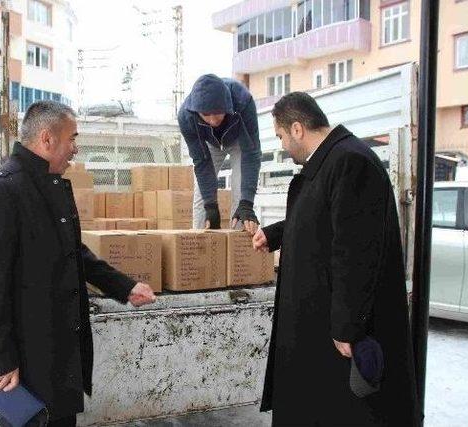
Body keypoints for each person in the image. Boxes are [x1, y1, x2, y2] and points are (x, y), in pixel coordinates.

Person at [0, 101, 156, 427]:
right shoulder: (2, 191)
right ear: (47, 139)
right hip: (21, 364)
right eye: (72, 139)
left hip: (54, 354)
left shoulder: (50, 185)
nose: (76, 149)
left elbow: (74, 253)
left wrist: (124, 286)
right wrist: (0, 361)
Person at [253, 92, 420, 426]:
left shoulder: (350, 162)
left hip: (337, 334)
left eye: (282, 136)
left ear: (297, 129)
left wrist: (348, 327)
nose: (283, 145)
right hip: (319, 328)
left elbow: (356, 250)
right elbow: (322, 217)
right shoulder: (333, 161)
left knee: (345, 412)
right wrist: (275, 234)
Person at [178, 74, 262, 234]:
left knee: (239, 193)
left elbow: (251, 153)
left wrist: (247, 203)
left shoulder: (243, 100)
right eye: (206, 114)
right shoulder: (186, 116)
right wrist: (211, 206)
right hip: (210, 143)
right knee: (201, 198)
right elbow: (201, 162)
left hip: (239, 140)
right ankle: (199, 243)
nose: (212, 120)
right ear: (196, 111)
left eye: (217, 112)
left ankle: (237, 246)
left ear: (227, 105)